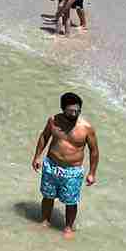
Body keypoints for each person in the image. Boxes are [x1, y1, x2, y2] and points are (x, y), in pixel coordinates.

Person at [32, 92, 99, 239]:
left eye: (77, 111)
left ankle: (68, 227)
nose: (74, 114)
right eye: (71, 111)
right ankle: (45, 221)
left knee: (71, 201)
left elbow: (94, 151)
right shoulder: (53, 121)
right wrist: (37, 156)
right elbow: (44, 137)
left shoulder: (86, 128)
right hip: (51, 165)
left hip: (72, 170)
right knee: (47, 196)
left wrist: (92, 173)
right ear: (63, 109)